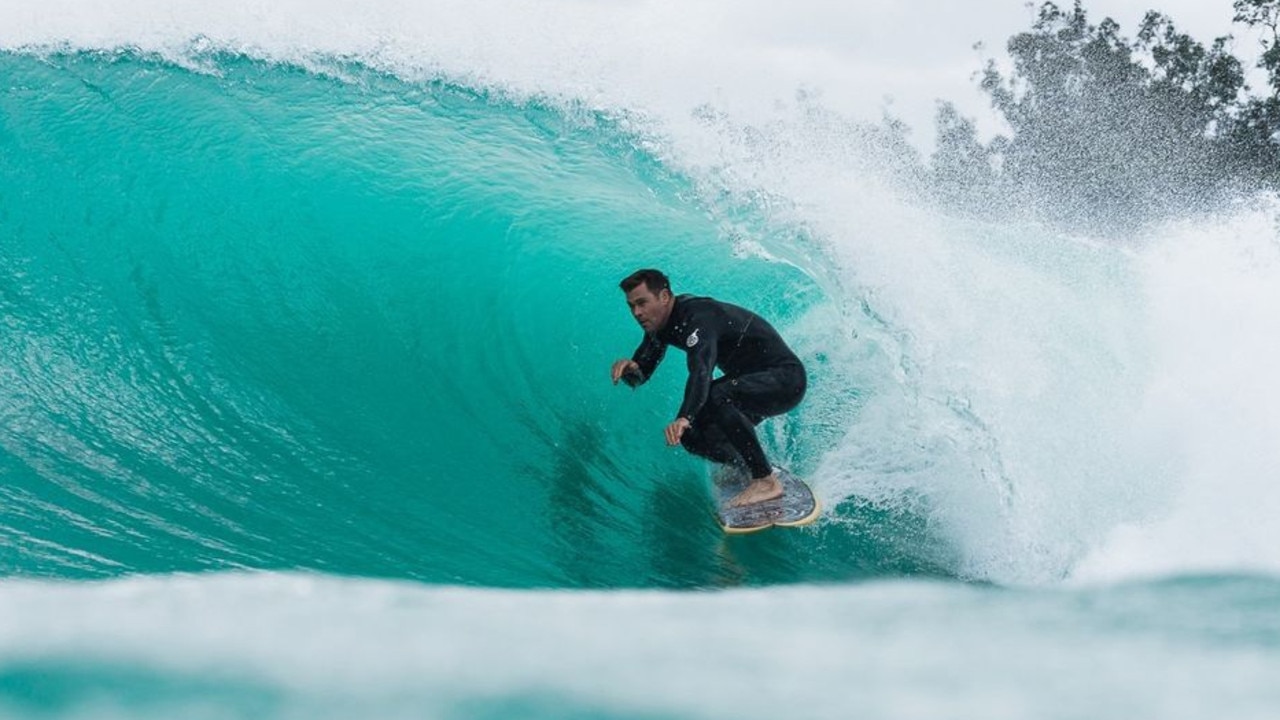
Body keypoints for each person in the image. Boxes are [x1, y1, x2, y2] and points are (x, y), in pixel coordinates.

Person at [610, 268, 807, 507]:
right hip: (749, 384)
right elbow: (642, 374)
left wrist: (684, 416)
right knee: (691, 435)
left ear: (663, 297)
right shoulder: (660, 326)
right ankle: (744, 466)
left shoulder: (697, 317)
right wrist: (632, 370)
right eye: (631, 306)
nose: (637, 313)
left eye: (642, 303)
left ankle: (764, 480)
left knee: (715, 397)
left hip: (785, 380)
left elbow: (701, 370)